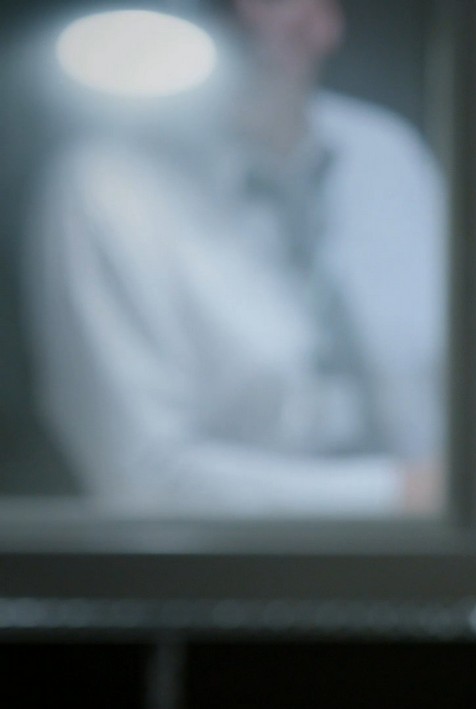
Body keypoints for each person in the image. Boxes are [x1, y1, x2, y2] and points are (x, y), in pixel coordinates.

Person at [25, 0, 447, 514]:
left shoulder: (386, 154)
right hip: (226, 562)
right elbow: (141, 476)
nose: (238, 17)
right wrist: (396, 492)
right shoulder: (106, 188)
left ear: (323, 20)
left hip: (431, 547)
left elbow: (433, 393)